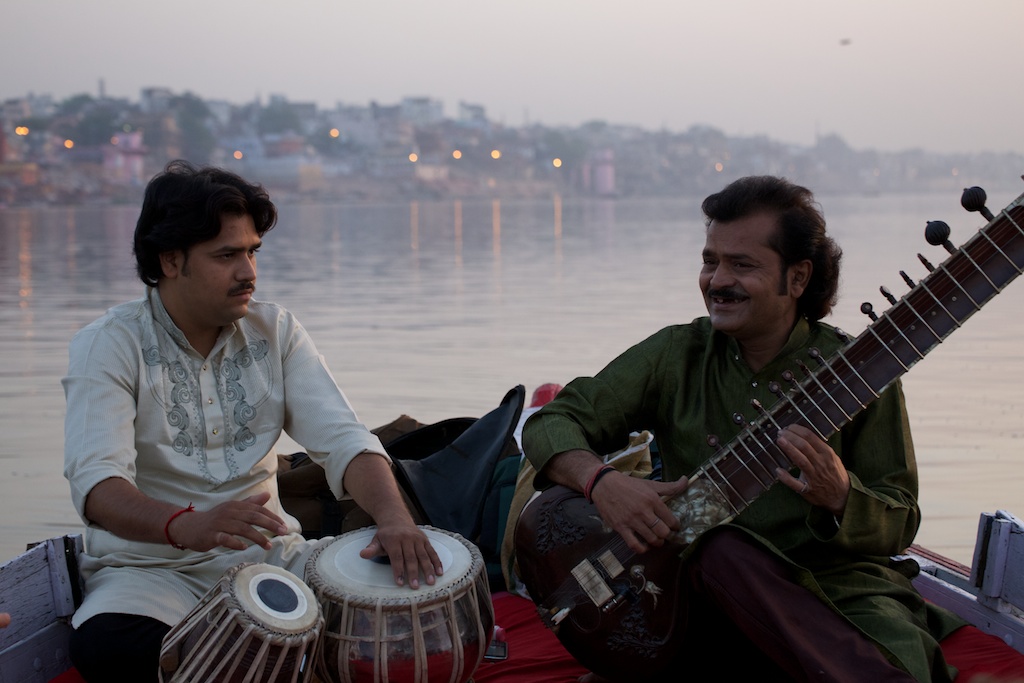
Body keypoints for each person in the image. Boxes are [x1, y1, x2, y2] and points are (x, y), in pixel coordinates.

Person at [521, 176, 966, 682]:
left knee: (872, 635)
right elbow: (553, 421)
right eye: (711, 261)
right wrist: (601, 483)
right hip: (698, 594)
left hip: (836, 589)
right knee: (718, 550)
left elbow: (901, 519)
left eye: (742, 264)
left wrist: (842, 496)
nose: (717, 280)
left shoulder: (862, 372)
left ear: (797, 279)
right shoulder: (677, 355)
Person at [62, 160, 441, 682]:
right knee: (111, 646)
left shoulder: (275, 330)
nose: (249, 272)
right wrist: (186, 525)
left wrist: (395, 521)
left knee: (412, 603)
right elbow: (98, 485)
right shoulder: (109, 344)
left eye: (252, 251)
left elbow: (342, 439)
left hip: (274, 560)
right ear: (171, 261)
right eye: (227, 255)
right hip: (151, 573)